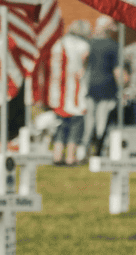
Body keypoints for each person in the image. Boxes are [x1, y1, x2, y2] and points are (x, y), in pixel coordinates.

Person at [48, 19, 90, 165]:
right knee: (75, 127)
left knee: (60, 127)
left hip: (58, 93)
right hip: (75, 93)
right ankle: (70, 157)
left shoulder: (58, 44)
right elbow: (84, 64)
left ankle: (57, 156)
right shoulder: (82, 45)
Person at [81, 15, 119, 157]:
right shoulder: (114, 46)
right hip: (107, 88)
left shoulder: (89, 44)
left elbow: (83, 61)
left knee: (89, 120)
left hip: (90, 87)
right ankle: (99, 150)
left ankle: (84, 151)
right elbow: (117, 72)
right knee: (101, 121)